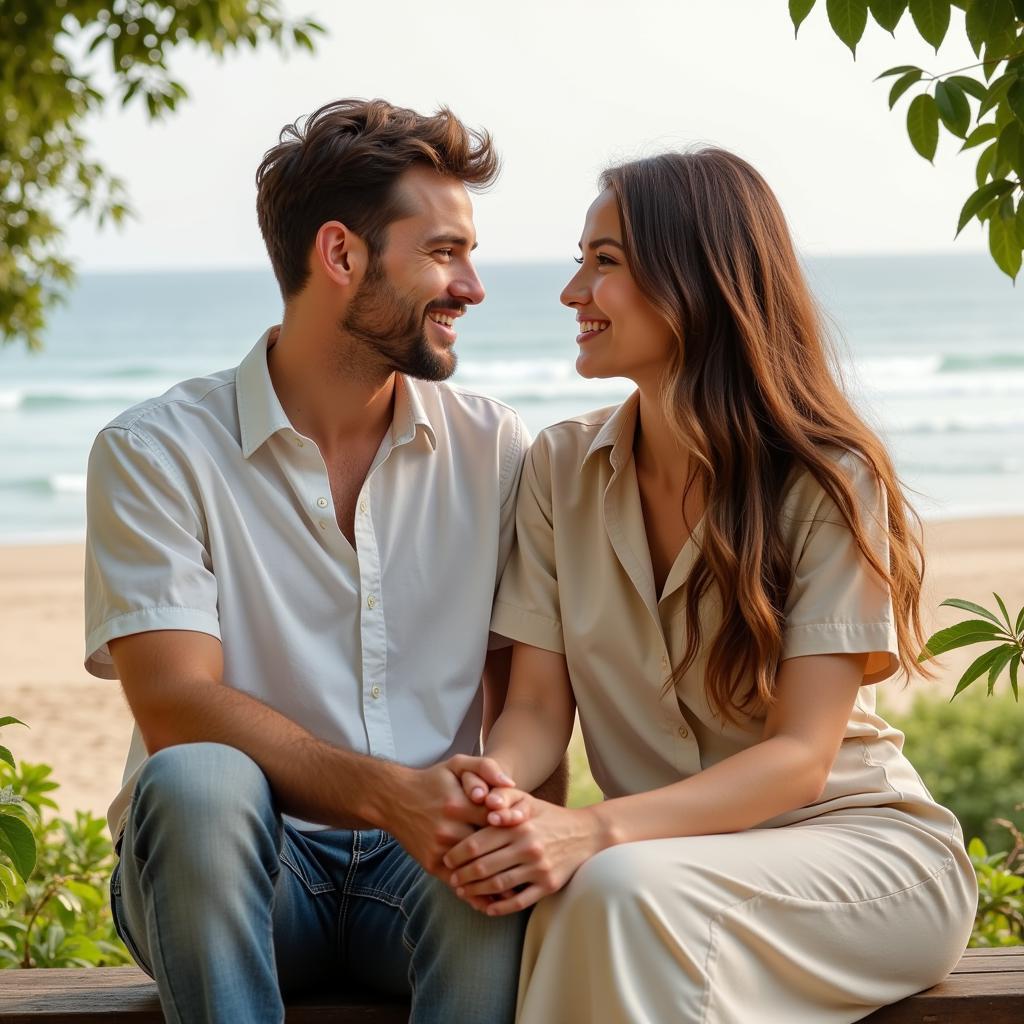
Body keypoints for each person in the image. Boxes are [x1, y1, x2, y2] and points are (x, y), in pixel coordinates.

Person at [441, 149, 978, 1023]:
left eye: (604, 261)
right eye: (581, 260)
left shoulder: (826, 478)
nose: (574, 291)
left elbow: (801, 759)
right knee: (588, 893)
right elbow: (537, 713)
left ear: (697, 278)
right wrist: (494, 789)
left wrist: (594, 827)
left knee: (608, 886)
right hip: (662, 866)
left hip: (857, 858)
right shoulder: (559, 468)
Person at [83, 98, 536, 1024]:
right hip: (240, 873)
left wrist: (494, 817)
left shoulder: (494, 447)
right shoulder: (154, 450)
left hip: (425, 879)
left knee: (489, 848)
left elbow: (519, 688)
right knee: (197, 778)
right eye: (445, 253)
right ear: (341, 255)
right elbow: (174, 704)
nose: (473, 287)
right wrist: (394, 797)